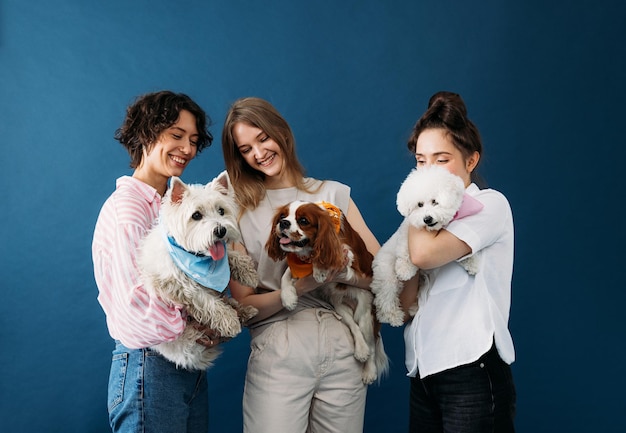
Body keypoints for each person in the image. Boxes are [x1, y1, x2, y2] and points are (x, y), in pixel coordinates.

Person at [221, 97, 381, 433]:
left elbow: (379, 275)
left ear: (281, 132)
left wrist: (339, 273)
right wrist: (300, 287)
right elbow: (242, 305)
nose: (259, 153)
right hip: (280, 343)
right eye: (246, 148)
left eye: (263, 138)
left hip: (345, 344)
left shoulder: (334, 195)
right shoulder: (236, 207)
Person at [92, 90, 222, 433]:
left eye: (193, 140)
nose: (187, 149)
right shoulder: (129, 208)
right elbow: (136, 304)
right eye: (176, 135)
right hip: (149, 366)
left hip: (186, 363)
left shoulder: (172, 206)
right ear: (146, 133)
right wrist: (199, 325)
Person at [399, 91, 516, 432]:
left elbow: (421, 256)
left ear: (471, 161)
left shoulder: (490, 205)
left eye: (441, 159)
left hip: (471, 369)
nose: (427, 171)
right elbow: (406, 305)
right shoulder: (422, 217)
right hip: (423, 371)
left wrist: (416, 213)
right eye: (421, 161)